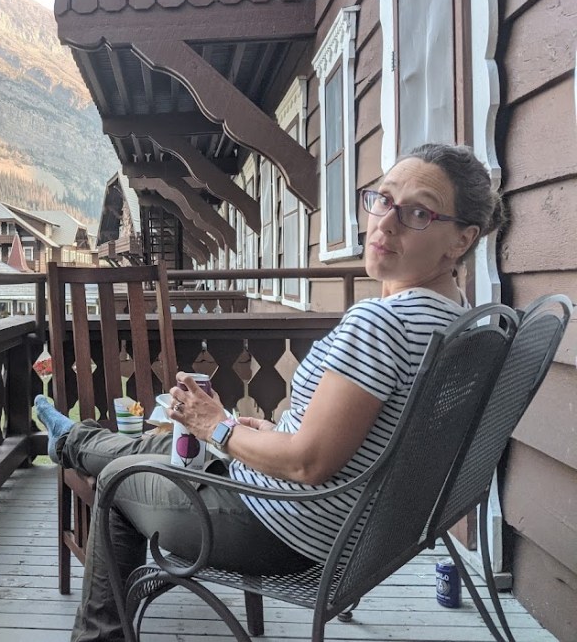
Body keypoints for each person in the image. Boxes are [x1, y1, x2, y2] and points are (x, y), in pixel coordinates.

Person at [33, 143, 505, 642]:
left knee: (120, 476)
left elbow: (307, 464)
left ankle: (73, 464)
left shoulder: (381, 323)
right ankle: (72, 438)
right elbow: (359, 440)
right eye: (383, 200)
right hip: (352, 527)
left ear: (461, 240)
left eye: (418, 213)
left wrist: (215, 423)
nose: (385, 223)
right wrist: (261, 429)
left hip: (281, 529)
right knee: (159, 445)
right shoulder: (463, 325)